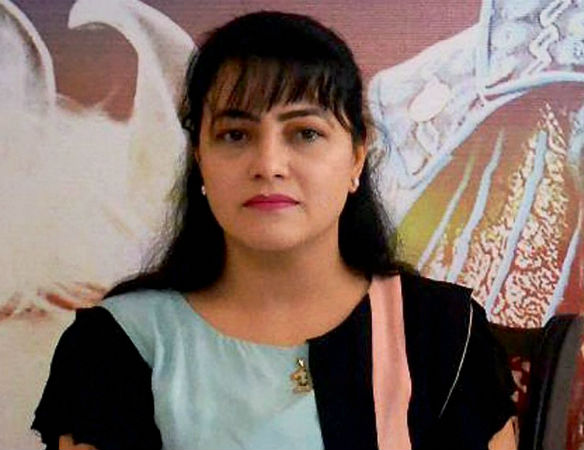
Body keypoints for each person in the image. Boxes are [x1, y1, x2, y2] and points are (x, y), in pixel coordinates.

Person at [32, 11, 516, 450]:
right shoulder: (118, 343)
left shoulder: (443, 332)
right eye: (235, 135)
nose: (268, 164)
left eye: (305, 133)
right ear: (199, 159)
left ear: (356, 158)